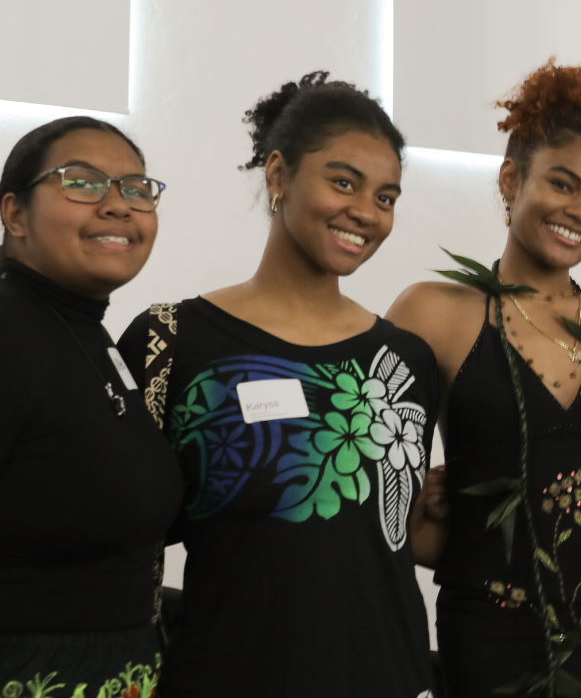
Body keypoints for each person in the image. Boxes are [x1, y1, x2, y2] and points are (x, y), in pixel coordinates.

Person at [117, 72, 441, 698]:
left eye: (387, 197)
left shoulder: (403, 363)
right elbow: (119, 538)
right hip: (229, 675)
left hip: (388, 677)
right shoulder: (170, 340)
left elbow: (392, 534)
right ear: (277, 175)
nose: (366, 212)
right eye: (343, 182)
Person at [388, 61, 581, 698]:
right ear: (510, 179)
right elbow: (383, 508)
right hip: (495, 631)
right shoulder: (433, 313)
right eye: (562, 184)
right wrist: (450, 509)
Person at [0, 117, 182, 698]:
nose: (118, 205)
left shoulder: (92, 341)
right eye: (84, 182)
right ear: (15, 214)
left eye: (137, 188)